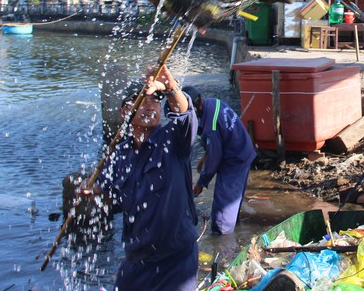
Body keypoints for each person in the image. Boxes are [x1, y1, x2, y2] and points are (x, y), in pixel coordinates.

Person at [82, 68, 199, 291]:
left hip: (176, 259)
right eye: (139, 101)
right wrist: (95, 193)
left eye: (155, 101)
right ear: (124, 111)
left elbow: (185, 114)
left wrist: (172, 89)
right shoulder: (118, 155)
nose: (148, 106)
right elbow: (114, 201)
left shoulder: (173, 141)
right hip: (137, 261)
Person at [183, 86, 256, 235]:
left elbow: (214, 160)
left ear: (196, 108)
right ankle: (234, 227)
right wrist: (204, 157)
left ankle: (223, 247)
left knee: (222, 217)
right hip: (244, 149)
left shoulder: (211, 127)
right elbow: (217, 140)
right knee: (234, 202)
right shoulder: (213, 103)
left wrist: (201, 183)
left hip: (234, 161)